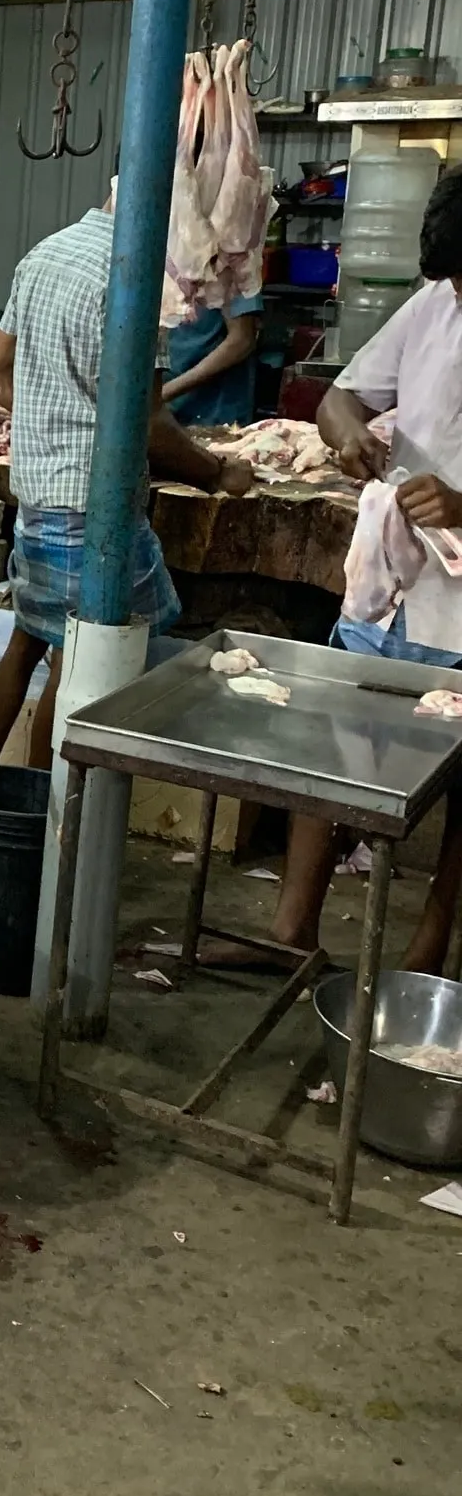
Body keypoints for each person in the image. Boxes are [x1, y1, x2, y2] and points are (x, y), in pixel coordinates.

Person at [206, 169, 462, 975]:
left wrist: (461, 505)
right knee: (328, 749)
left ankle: (426, 962)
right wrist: (348, 432)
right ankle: (291, 934)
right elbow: (340, 397)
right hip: (389, 587)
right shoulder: (435, 305)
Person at [0, 190, 253, 770]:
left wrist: (54, 422)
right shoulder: (135, 280)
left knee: (29, 639)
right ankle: (35, 811)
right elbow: (146, 424)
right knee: (78, 656)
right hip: (89, 509)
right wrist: (217, 473)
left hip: (37, 497)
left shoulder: (45, 252)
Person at [161, 281, 262, 426]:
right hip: (164, 409)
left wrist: (163, 393)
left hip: (212, 415)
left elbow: (242, 340)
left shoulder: (233, 262)